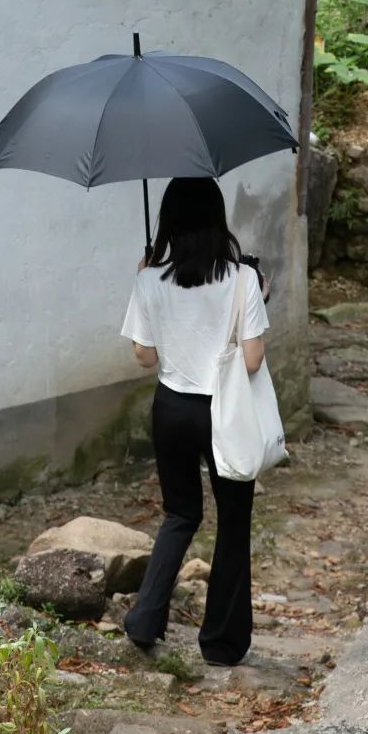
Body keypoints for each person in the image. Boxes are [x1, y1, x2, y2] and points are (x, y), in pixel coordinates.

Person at [120, 176, 269, 667]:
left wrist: (148, 284)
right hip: (222, 411)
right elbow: (250, 361)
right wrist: (256, 301)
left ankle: (144, 620)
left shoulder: (149, 279)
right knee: (232, 522)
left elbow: (144, 356)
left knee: (180, 514)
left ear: (169, 221)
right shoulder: (243, 279)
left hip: (171, 409)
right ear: (216, 220)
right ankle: (221, 644)